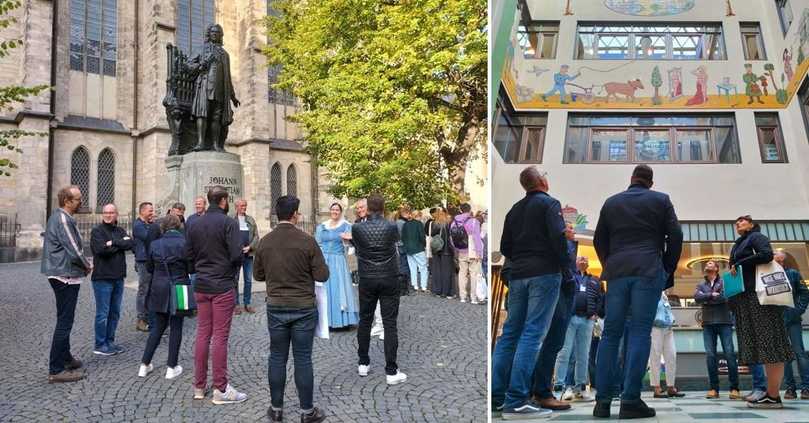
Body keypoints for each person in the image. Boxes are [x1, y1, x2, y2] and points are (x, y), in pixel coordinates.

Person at [592, 164, 683, 419]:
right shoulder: (660, 200)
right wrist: (666, 268)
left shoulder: (611, 202)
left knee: (611, 333)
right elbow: (676, 235)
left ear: (631, 179)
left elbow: (599, 239)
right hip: (648, 269)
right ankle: (630, 400)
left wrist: (611, 262)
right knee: (640, 332)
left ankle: (602, 402)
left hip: (618, 272)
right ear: (650, 182)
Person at [492, 166, 570, 419]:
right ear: (542, 182)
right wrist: (564, 255)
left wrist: (523, 259)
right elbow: (558, 241)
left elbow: (505, 246)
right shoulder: (550, 204)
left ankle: (497, 397)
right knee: (533, 334)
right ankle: (516, 401)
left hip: (519, 275)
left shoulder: (514, 210)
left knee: (510, 335)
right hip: (545, 273)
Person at [254, 195, 329, 423]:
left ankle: (276, 409)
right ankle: (307, 411)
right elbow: (322, 275)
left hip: (276, 306)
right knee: (303, 358)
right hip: (303, 307)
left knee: (277, 356)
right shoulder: (307, 241)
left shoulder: (265, 241)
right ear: (295, 214)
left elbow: (257, 275)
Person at [186, 185, 246, 404]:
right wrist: (228, 274)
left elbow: (189, 256)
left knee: (203, 334)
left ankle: (199, 386)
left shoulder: (194, 223)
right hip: (221, 285)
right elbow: (237, 255)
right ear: (223, 201)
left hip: (202, 284)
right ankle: (221, 388)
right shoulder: (229, 223)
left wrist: (200, 270)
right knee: (220, 336)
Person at [728, 215, 793, 408]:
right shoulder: (738, 243)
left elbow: (766, 254)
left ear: (752, 224)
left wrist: (739, 263)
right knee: (760, 344)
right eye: (736, 222)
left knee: (770, 343)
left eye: (742, 220)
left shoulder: (756, 237)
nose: (738, 223)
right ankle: (769, 393)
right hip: (746, 298)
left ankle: (773, 396)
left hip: (760, 297)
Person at [353, 193, 407, 385]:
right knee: (390, 323)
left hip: (367, 277)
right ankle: (391, 371)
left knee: (365, 320)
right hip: (388, 277)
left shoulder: (357, 228)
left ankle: (363, 363)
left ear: (368, 208)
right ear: (383, 208)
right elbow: (394, 244)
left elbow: (359, 247)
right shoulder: (391, 226)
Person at [41, 185, 92, 383]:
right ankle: (56, 369)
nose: (81, 202)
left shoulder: (63, 217)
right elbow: (72, 247)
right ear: (67, 201)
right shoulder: (62, 218)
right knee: (64, 322)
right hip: (64, 274)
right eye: (78, 199)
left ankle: (65, 358)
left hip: (63, 273)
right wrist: (87, 265)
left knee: (65, 318)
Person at [530, 223, 578, 412]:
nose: (572, 230)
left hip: (560, 290)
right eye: (569, 228)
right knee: (549, 342)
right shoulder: (559, 243)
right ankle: (541, 391)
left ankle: (536, 390)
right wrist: (568, 243)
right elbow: (566, 265)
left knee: (549, 343)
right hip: (558, 291)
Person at [139, 214, 191, 380]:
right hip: (180, 287)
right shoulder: (184, 243)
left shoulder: (155, 244)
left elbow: (149, 267)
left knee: (158, 328)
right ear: (178, 226)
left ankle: (144, 365)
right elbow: (191, 267)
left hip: (159, 288)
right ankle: (171, 366)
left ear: (163, 227)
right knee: (176, 327)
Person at [90, 203, 134, 356]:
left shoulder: (120, 230)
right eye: (106, 213)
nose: (108, 215)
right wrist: (119, 244)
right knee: (103, 313)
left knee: (115, 312)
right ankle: (100, 344)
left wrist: (113, 243)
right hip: (102, 278)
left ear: (116, 214)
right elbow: (101, 250)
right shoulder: (97, 231)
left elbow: (130, 243)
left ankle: (110, 342)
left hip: (118, 277)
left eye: (111, 212)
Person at [694, 260, 741, 400]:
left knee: (730, 354)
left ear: (716, 268)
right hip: (708, 323)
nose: (707, 266)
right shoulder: (701, 284)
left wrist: (707, 297)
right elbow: (697, 297)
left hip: (724, 322)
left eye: (710, 264)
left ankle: (734, 388)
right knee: (710, 355)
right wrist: (710, 295)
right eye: (706, 265)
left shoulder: (725, 281)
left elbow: (726, 296)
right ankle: (714, 388)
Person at [556, 256, 600, 402]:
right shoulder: (570, 276)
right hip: (570, 318)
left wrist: (595, 312)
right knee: (564, 352)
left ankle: (580, 388)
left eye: (586, 259)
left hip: (587, 320)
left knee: (584, 355)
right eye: (580, 258)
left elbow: (600, 298)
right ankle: (559, 387)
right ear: (575, 262)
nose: (583, 261)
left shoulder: (594, 280)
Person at [315, 203, 359, 329]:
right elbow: (317, 244)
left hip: (338, 261)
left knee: (339, 289)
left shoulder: (346, 226)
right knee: (325, 290)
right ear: (330, 211)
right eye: (333, 209)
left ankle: (342, 321)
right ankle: (326, 321)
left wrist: (347, 240)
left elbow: (350, 246)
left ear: (340, 212)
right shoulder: (322, 226)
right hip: (324, 261)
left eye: (337, 210)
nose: (334, 211)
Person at [775, 251, 809, 400]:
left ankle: (806, 388)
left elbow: (804, 293)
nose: (778, 261)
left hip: (793, 319)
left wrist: (798, 310)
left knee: (799, 353)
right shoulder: (767, 277)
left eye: (778, 258)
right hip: (777, 320)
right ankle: (790, 388)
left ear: (783, 260)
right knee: (784, 356)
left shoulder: (793, 273)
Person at [648, 291, 684, 398]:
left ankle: (670, 386)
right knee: (655, 357)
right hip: (655, 328)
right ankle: (656, 387)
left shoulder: (663, 293)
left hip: (668, 328)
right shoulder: (649, 291)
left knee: (671, 355)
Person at [451, 203, 484, 304]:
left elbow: (451, 238)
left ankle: (462, 297)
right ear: (469, 210)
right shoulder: (474, 221)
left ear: (460, 210)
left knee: (462, 273)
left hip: (461, 250)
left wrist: (457, 249)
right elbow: (477, 238)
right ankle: (473, 298)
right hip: (473, 250)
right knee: (474, 274)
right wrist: (479, 252)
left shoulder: (454, 222)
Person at [133, 201, 159, 332]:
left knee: (150, 290)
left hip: (150, 260)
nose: (152, 213)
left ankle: (148, 317)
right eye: (150, 211)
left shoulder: (148, 224)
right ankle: (141, 319)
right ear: (142, 211)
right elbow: (150, 238)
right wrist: (155, 226)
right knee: (143, 290)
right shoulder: (138, 225)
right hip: (143, 261)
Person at [234, 199, 260, 314]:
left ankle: (247, 303)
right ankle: (236, 304)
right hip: (236, 255)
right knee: (235, 280)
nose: (244, 207)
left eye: (245, 205)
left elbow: (256, 236)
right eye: (242, 206)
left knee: (248, 280)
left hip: (248, 255)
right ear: (236, 207)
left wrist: (250, 247)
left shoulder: (250, 220)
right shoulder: (231, 220)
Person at [427, 208, 454, 299]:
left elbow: (432, 236)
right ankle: (447, 292)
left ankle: (437, 291)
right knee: (446, 272)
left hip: (436, 250)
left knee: (437, 271)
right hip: (447, 251)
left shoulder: (434, 223)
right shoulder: (449, 223)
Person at [401, 206, 428, 292]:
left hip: (408, 249)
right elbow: (422, 237)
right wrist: (424, 245)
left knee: (412, 268)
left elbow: (403, 237)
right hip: (418, 248)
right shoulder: (419, 224)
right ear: (418, 216)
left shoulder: (405, 224)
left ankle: (415, 285)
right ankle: (423, 286)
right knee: (423, 268)